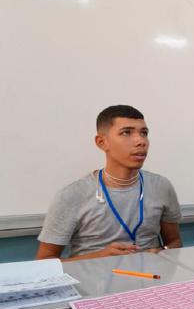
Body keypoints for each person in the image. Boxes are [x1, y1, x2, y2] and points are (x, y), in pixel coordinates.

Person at [36, 105, 182, 261]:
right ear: (102, 142)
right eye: (126, 132)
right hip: (94, 282)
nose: (141, 141)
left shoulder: (161, 186)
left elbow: (174, 242)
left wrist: (163, 251)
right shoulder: (72, 195)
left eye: (144, 133)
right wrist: (100, 257)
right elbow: (44, 262)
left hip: (152, 279)